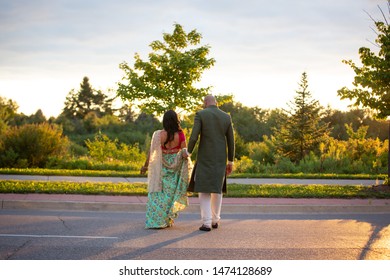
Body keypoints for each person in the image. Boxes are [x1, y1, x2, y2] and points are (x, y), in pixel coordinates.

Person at [187, 95, 235, 231]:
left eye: (203, 103)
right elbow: (231, 141)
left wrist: (188, 152)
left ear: (205, 102)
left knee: (204, 189)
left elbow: (194, 136)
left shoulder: (201, 114)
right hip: (220, 158)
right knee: (217, 188)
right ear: (216, 103)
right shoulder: (226, 117)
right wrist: (230, 161)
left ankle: (206, 222)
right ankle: (215, 220)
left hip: (205, 158)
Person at [141, 110, 192, 229]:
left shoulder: (158, 135)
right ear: (176, 120)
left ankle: (157, 220)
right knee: (171, 194)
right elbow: (185, 152)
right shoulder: (180, 134)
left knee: (159, 194)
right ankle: (167, 218)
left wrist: (145, 166)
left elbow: (151, 152)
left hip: (162, 166)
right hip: (176, 166)